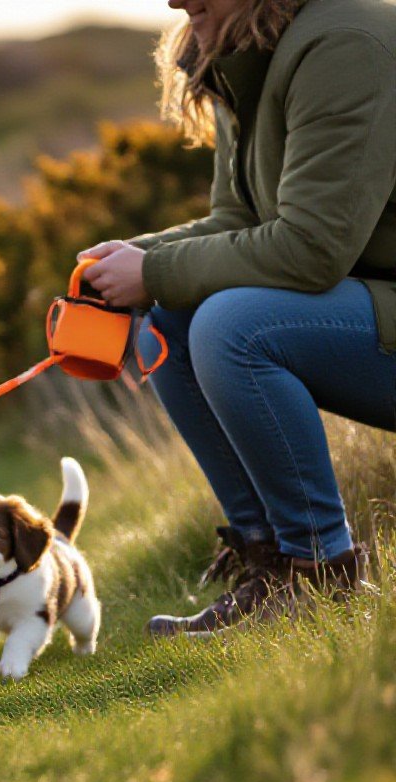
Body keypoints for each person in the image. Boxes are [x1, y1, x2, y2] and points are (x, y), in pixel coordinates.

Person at [78, 0, 396, 635]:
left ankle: (320, 570)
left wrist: (154, 271)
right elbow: (240, 221)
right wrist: (136, 259)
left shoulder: (347, 44)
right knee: (168, 322)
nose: (175, 2)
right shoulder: (245, 49)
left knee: (232, 327)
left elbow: (311, 248)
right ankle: (269, 566)